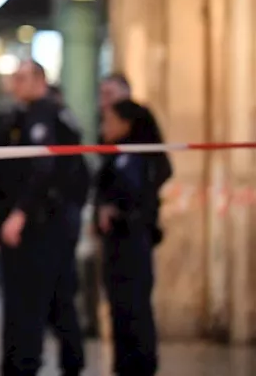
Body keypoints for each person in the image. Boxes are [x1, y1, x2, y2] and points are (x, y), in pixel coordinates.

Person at [0, 61, 89, 376]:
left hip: (41, 226)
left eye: (21, 78)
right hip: (37, 225)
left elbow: (42, 171)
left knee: (33, 300)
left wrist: (19, 214)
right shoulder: (25, 116)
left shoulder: (45, 115)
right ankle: (29, 362)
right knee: (47, 297)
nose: (14, 84)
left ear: (39, 80)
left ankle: (25, 364)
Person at [96, 99, 171, 376]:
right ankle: (125, 363)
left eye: (110, 121)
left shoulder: (136, 159)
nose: (105, 127)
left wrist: (115, 212)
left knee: (134, 306)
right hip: (118, 243)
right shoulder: (117, 156)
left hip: (132, 243)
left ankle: (139, 365)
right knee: (120, 307)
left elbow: (138, 201)